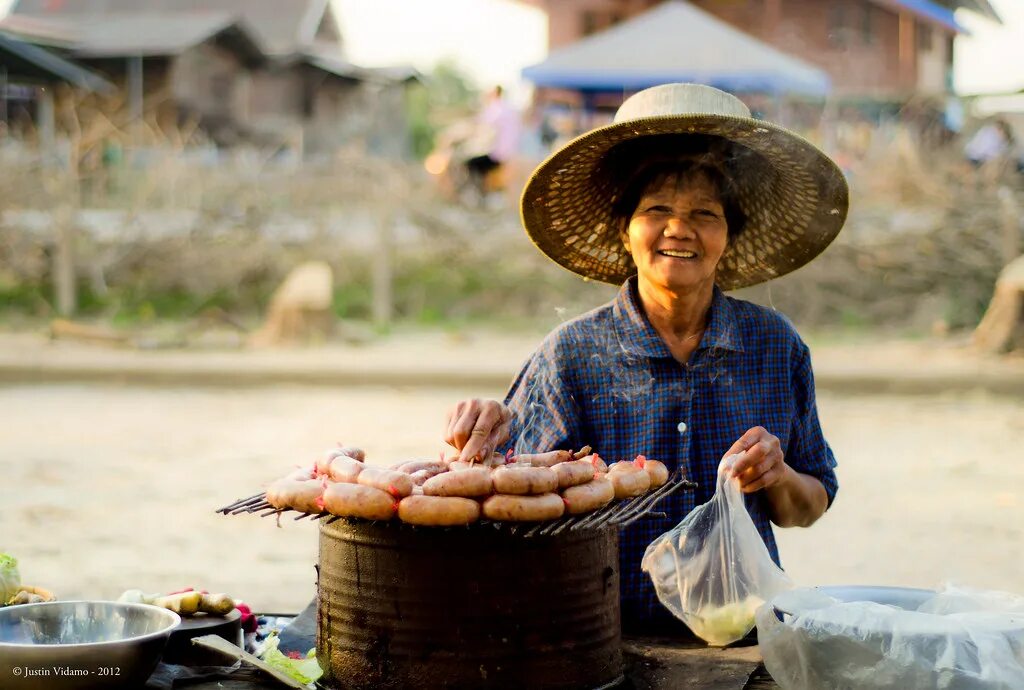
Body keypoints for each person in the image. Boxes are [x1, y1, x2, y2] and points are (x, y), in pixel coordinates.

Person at [443, 83, 849, 633]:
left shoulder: (775, 346)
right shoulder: (572, 354)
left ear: (728, 235)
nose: (679, 229)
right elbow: (504, 501)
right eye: (657, 209)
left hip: (743, 637)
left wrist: (776, 475)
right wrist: (483, 433)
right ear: (625, 230)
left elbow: (808, 505)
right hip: (599, 636)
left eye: (705, 213)